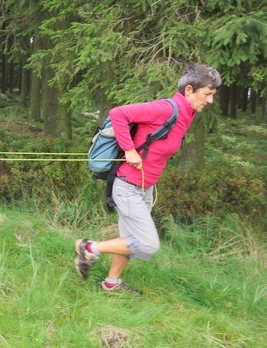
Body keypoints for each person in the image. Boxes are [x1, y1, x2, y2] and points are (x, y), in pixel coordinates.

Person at [74, 63, 222, 295]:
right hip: (127, 186)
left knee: (129, 240)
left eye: (212, 95)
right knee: (148, 245)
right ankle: (89, 247)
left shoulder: (187, 114)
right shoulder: (166, 109)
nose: (210, 101)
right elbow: (118, 113)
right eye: (207, 94)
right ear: (189, 90)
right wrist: (129, 150)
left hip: (145, 187)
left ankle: (111, 284)